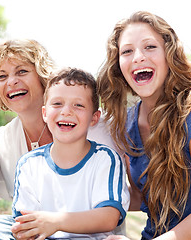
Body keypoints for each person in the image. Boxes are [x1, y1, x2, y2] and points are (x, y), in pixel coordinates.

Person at [96, 11, 191, 239]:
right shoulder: (126, 124)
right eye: (127, 51)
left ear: (169, 54)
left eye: (150, 47)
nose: (138, 57)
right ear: (118, 65)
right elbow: (138, 198)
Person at [0, 39, 127, 239]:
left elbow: (122, 200)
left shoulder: (97, 132)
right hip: (42, 235)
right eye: (2, 76)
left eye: (22, 71)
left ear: (42, 75)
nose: (11, 81)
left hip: (94, 233)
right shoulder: (4, 142)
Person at [11, 68, 130, 239]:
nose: (66, 111)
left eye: (79, 105)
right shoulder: (29, 163)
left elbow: (109, 217)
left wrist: (56, 222)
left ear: (94, 118)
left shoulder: (106, 158)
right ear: (45, 113)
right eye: (57, 104)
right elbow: (25, 224)